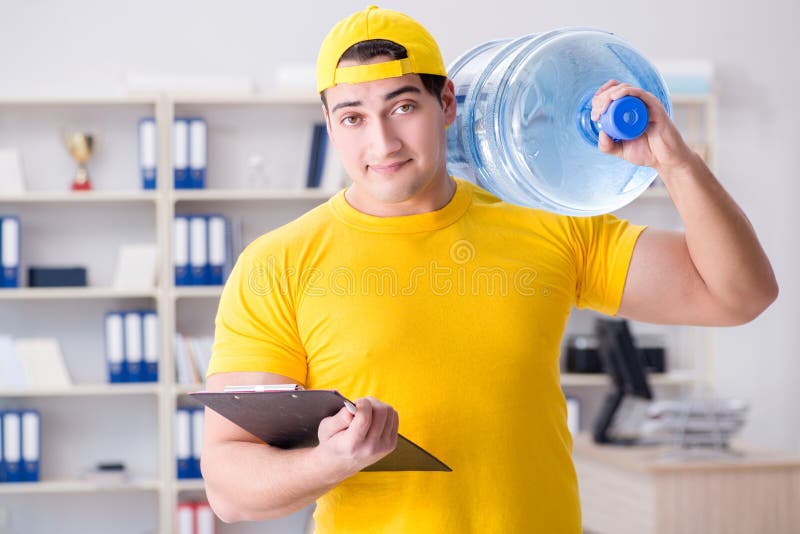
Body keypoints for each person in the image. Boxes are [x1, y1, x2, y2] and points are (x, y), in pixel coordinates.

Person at [201, 6, 777, 533]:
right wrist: (329, 462)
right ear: (329, 124)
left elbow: (739, 294)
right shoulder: (277, 265)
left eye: (403, 107)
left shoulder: (550, 221)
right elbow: (229, 487)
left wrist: (674, 161)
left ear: (446, 104)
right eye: (353, 118)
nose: (382, 142)